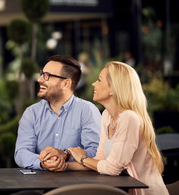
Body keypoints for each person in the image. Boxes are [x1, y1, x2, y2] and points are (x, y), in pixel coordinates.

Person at [68, 61, 168, 195]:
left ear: (113, 89)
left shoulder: (129, 118)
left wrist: (82, 158)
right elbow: (99, 161)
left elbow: (111, 169)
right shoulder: (107, 115)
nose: (93, 84)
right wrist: (63, 166)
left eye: (99, 80)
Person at [14, 55, 101, 172]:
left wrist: (66, 154)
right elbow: (21, 153)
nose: (40, 79)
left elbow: (95, 152)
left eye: (47, 76)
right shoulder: (32, 113)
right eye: (42, 74)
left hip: (78, 186)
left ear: (66, 84)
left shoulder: (87, 111)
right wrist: (43, 162)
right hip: (40, 186)